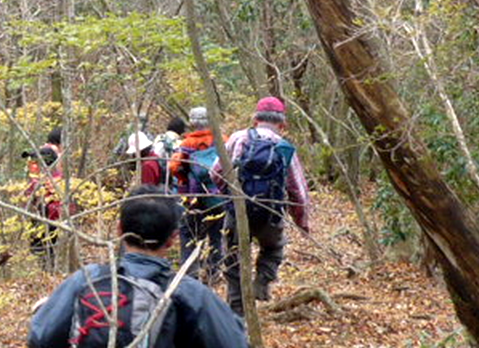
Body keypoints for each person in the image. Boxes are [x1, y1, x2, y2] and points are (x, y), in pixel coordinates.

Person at [26, 186, 249, 348]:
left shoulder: (86, 279)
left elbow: (40, 337)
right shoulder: (190, 294)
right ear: (172, 239)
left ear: (119, 230)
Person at [212, 96, 310, 315]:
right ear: (282, 124)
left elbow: (215, 172)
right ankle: (261, 285)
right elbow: (298, 191)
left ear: (255, 119)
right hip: (270, 214)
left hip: (238, 211)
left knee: (233, 258)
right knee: (273, 249)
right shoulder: (284, 147)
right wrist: (302, 223)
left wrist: (225, 193)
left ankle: (236, 309)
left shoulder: (238, 138)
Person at [169, 106, 226, 283]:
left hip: (192, 198)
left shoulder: (186, 144)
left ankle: (191, 273)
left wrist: (185, 178)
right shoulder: (222, 140)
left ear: (192, 123)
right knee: (217, 235)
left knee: (189, 235)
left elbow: (174, 168)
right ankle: (214, 272)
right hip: (218, 196)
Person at [23, 142, 64, 270]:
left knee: (47, 260)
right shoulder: (40, 181)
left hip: (49, 226)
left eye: (34, 161)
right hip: (42, 225)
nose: (31, 164)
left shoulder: (52, 182)